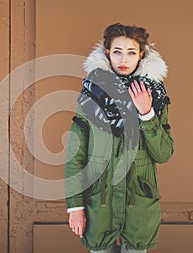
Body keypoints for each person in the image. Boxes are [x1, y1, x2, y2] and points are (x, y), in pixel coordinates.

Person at [65, 23, 174, 253]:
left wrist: (147, 114)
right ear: (107, 53)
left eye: (131, 52)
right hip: (99, 202)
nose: (123, 59)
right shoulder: (91, 95)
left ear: (141, 55)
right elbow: (75, 155)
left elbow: (163, 153)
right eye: (117, 51)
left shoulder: (154, 96)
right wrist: (75, 207)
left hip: (139, 205)